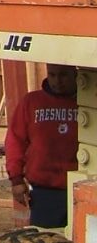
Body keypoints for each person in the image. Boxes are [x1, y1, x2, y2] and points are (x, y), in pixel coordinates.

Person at [5, 63, 78, 229]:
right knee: (46, 239)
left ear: (75, 75)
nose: (57, 81)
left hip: (81, 187)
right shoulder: (31, 102)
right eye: (52, 75)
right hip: (45, 191)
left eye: (63, 75)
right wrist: (16, 179)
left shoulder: (88, 103)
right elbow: (15, 141)